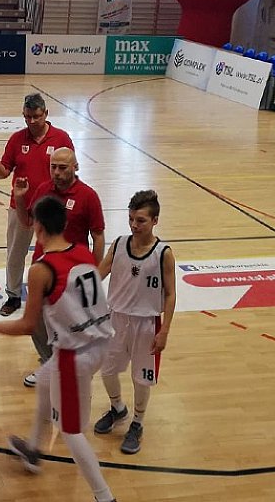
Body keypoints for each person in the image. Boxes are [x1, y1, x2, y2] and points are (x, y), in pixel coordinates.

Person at [0, 196, 116, 502]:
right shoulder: (82, 252)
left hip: (75, 354)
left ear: (38, 227)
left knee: (70, 430)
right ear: (64, 224)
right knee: (44, 380)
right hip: (101, 341)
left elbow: (28, 325)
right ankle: (33, 449)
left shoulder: (42, 269)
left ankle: (104, 496)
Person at [93, 190, 176, 455]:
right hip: (115, 319)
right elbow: (99, 273)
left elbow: (171, 294)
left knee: (141, 379)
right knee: (107, 370)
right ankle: (118, 408)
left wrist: (164, 331)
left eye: (140, 220)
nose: (133, 225)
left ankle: (137, 423)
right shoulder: (119, 244)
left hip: (146, 324)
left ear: (155, 221)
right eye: (131, 219)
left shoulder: (163, 253)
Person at [14, 147, 105, 387]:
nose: (56, 172)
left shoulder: (88, 196)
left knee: (69, 325)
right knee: (36, 321)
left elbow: (98, 236)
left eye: (62, 167)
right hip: (42, 270)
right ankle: (50, 363)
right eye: (53, 167)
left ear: (75, 167)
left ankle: (70, 369)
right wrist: (20, 197)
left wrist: (95, 273)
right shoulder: (43, 190)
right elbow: (27, 222)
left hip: (72, 276)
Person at [0, 93, 74, 317]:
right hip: (20, 207)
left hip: (51, 210)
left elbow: (70, 170)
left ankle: (51, 294)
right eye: (27, 117)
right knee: (15, 253)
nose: (31, 121)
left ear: (46, 113)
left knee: (51, 253)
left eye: (36, 117)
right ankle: (13, 296)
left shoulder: (61, 138)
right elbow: (3, 173)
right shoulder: (16, 139)